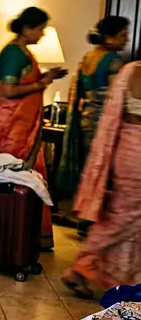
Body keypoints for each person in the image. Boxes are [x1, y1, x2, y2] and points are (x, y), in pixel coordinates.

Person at [0, 7, 66, 249]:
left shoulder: (24, 53)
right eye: (41, 29)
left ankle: (26, 235)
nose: (42, 34)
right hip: (12, 125)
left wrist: (46, 77)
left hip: (21, 124)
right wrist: (41, 83)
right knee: (11, 175)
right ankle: (8, 235)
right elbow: (8, 91)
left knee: (28, 174)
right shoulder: (13, 54)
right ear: (28, 28)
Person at [62, 60, 141, 297]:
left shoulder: (130, 70)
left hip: (124, 152)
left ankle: (124, 280)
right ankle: (81, 266)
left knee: (121, 216)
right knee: (122, 219)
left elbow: (113, 113)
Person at [57, 17, 128, 197]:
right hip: (103, 121)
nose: (126, 40)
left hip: (86, 117)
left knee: (87, 166)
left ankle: (83, 210)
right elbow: (116, 97)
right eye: (122, 35)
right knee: (101, 168)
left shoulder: (88, 57)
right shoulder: (114, 61)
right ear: (108, 38)